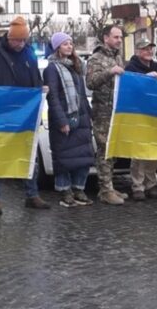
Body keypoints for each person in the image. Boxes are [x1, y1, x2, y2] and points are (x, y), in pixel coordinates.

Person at [0, 16, 50, 214]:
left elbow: (35, 78)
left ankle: (32, 194)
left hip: (25, 114)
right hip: (0, 115)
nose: (21, 44)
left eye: (24, 40)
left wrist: (40, 89)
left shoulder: (29, 54)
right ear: (9, 37)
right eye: (17, 40)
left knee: (29, 154)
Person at [44, 32, 95, 207]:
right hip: (64, 119)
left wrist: (90, 115)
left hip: (80, 118)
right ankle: (65, 191)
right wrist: (62, 121)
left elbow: (81, 94)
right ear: (57, 47)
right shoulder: (51, 68)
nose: (69, 46)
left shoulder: (76, 66)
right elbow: (53, 98)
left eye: (71, 44)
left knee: (83, 157)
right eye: (65, 44)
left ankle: (79, 189)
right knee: (64, 158)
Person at [85, 24, 127, 205]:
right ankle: (105, 190)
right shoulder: (96, 59)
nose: (119, 40)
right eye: (116, 37)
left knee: (113, 151)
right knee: (104, 150)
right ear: (106, 38)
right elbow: (91, 83)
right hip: (102, 111)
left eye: (120, 37)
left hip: (116, 111)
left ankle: (110, 186)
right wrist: (110, 72)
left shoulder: (118, 57)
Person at [124, 37, 157, 201]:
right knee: (139, 152)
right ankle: (137, 186)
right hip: (138, 114)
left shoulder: (156, 66)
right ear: (138, 51)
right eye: (145, 49)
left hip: (153, 113)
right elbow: (131, 87)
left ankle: (151, 184)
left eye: (150, 48)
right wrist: (147, 77)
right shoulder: (131, 67)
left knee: (152, 150)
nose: (149, 51)